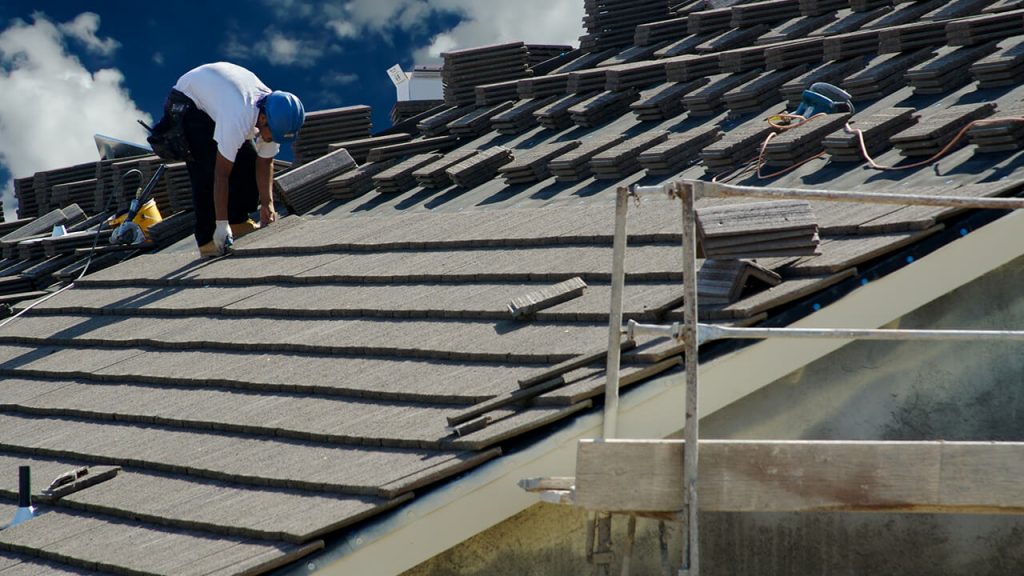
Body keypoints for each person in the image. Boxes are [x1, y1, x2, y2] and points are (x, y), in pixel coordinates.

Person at [156, 62, 305, 257]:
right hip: (189, 102)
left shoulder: (275, 114)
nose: (271, 139)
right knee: (206, 167)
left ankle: (238, 221)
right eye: (272, 135)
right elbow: (221, 174)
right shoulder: (239, 116)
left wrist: (268, 204)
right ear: (262, 120)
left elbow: (265, 161)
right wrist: (221, 225)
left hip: (220, 96)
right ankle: (208, 239)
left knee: (249, 161)